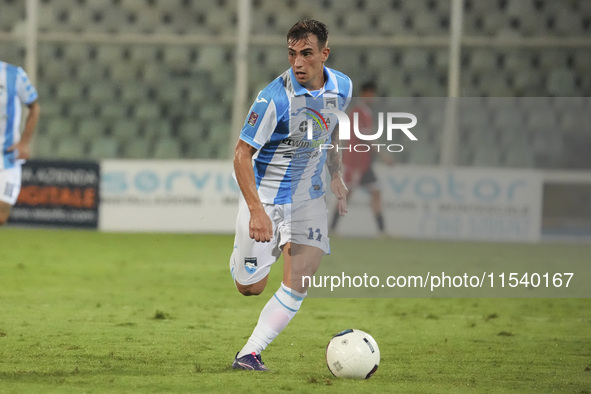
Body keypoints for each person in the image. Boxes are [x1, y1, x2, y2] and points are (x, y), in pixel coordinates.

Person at [229, 18, 352, 371]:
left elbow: (332, 130)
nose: (298, 62)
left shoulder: (342, 86)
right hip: (265, 198)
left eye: (307, 53)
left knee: (301, 277)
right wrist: (256, 211)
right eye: (292, 53)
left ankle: (249, 354)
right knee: (250, 288)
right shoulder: (272, 99)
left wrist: (336, 173)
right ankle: (242, 259)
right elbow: (241, 154)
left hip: (308, 196)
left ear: (324, 54)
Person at [329, 81, 392, 237]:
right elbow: (366, 137)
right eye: (371, 94)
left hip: (364, 162)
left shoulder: (364, 112)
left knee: (376, 192)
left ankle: (382, 231)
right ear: (364, 94)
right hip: (355, 161)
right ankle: (331, 228)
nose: (373, 97)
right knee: (347, 195)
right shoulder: (359, 112)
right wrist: (383, 156)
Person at [0, 60, 40, 226]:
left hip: (7, 156)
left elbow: (35, 107)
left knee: (1, 216)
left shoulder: (14, 74)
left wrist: (24, 143)